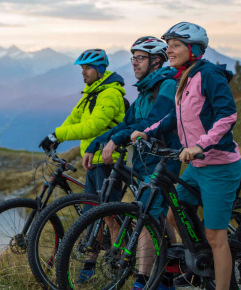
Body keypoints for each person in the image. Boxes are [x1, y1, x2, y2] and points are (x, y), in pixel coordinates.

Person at [132, 22, 241, 290]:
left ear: (193, 49)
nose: (169, 50)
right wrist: (147, 132)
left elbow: (228, 115)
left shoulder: (209, 75)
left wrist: (201, 145)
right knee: (174, 213)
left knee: (216, 237)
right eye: (168, 45)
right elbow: (175, 117)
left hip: (218, 165)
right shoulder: (184, 76)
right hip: (197, 165)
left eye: (175, 45)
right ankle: (197, 261)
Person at [80, 36, 182, 290]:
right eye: (133, 58)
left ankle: (143, 281)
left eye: (140, 58)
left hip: (163, 161)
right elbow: (126, 124)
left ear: (156, 61)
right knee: (157, 217)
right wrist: (97, 144)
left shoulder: (167, 84)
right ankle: (171, 268)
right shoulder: (147, 90)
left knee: (146, 216)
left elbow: (155, 120)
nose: (134, 63)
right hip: (145, 164)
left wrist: (116, 141)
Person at [38, 48, 126, 200]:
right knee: (91, 215)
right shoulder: (92, 92)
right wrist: (57, 138)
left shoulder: (110, 94)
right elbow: (74, 118)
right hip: (94, 159)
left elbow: (93, 127)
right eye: (82, 68)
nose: (83, 72)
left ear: (100, 69)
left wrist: (57, 135)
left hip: (107, 161)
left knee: (109, 216)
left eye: (88, 68)